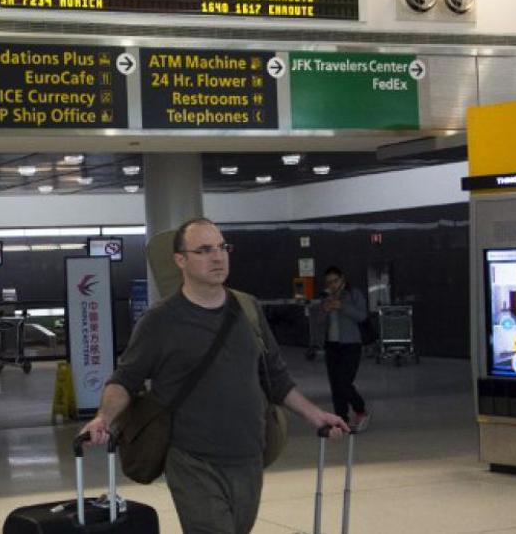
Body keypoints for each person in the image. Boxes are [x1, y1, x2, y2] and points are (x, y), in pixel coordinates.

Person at [80, 218, 349, 534]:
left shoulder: (248, 308)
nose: (218, 257)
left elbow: (274, 375)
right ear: (181, 260)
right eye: (204, 250)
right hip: (193, 461)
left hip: (249, 458)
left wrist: (316, 415)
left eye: (222, 248)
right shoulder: (161, 320)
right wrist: (104, 418)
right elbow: (126, 378)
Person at [312, 265, 371, 432]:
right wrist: (324, 309)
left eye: (334, 281)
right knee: (335, 384)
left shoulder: (354, 294)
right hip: (332, 345)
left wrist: (342, 307)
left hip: (351, 344)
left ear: (342, 279)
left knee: (345, 382)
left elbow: (362, 316)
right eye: (328, 282)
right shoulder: (326, 297)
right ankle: (341, 419)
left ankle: (360, 410)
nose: (332, 285)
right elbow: (318, 321)